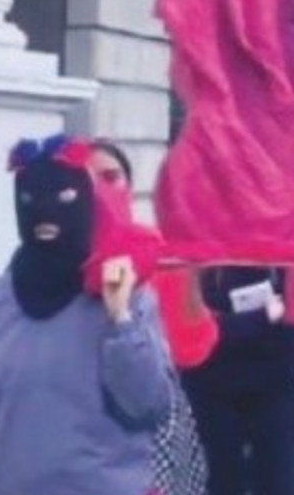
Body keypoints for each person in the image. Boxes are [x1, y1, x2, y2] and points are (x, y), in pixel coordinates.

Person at [0, 135, 173, 494]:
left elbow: (148, 407)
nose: (46, 214)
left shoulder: (130, 298)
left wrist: (121, 321)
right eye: (31, 201)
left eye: (63, 199)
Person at [89, 139, 211, 495]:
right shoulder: (57, 266)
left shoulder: (157, 252)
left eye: (111, 177)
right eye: (89, 180)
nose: (100, 190)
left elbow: (195, 346)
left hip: (150, 431)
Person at [181, 264, 294, 495]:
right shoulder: (196, 249)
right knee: (222, 478)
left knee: (279, 479)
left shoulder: (287, 242)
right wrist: (264, 318)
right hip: (212, 382)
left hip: (275, 378)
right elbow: (191, 324)